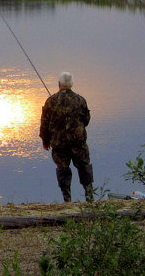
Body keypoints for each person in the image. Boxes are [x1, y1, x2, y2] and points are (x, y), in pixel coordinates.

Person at [39, 72, 94, 202]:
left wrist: (45, 141)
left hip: (59, 144)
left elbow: (44, 124)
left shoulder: (50, 101)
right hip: (78, 142)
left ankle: (67, 199)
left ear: (59, 84)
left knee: (63, 169)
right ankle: (89, 196)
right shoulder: (81, 100)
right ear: (72, 84)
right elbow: (86, 121)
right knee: (84, 167)